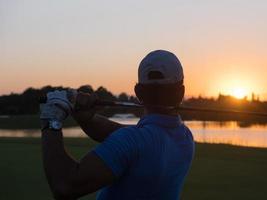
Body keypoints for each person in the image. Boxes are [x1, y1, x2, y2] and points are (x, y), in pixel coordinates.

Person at [40, 50, 195, 200]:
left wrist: (51, 118)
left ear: (138, 92)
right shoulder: (186, 138)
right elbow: (120, 134)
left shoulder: (133, 141)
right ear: (181, 92)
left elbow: (64, 186)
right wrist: (86, 119)